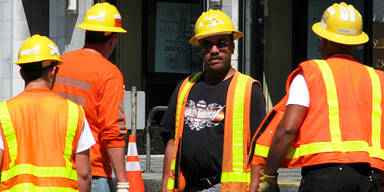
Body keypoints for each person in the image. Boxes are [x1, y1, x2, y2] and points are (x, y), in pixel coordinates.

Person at [252, 2, 384, 192]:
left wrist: (269, 174)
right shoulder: (376, 79)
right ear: (356, 43)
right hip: (367, 178)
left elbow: (287, 129)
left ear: (324, 39)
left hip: (323, 178)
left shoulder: (311, 73)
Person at [161, 9, 266, 192]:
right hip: (189, 185)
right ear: (200, 51)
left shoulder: (249, 90)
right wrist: (165, 186)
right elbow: (172, 141)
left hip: (226, 188)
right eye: (207, 45)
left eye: (222, 43)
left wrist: (257, 186)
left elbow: (261, 147)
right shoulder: (186, 87)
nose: (214, 50)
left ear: (233, 47)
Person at [0, 35, 95, 191]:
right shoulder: (74, 112)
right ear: (53, 71)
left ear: (22, 73)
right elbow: (84, 175)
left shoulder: (4, 112)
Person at [52, 2, 129, 192]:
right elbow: (112, 129)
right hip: (93, 173)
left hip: (56, 169)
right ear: (112, 40)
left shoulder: (60, 64)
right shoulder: (110, 73)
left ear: (86, 33)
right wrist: (122, 181)